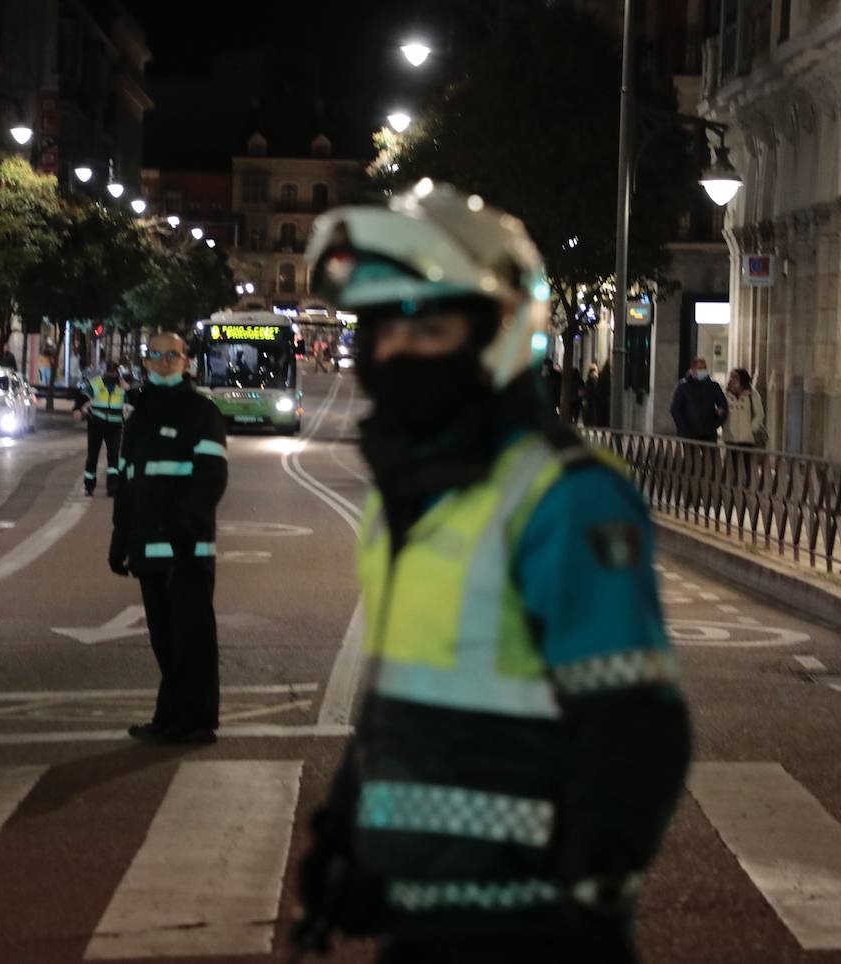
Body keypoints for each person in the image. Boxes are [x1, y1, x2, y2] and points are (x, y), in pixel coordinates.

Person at [294, 182, 690, 963]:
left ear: (499, 331)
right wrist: (346, 834)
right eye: (380, 332)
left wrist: (587, 900)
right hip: (420, 917)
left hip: (526, 928)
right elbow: (400, 698)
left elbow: (638, 726)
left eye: (431, 327)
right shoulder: (407, 500)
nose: (398, 354)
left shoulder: (564, 496)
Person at [109, 332, 228, 745]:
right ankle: (170, 717)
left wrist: (185, 530)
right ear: (145, 362)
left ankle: (196, 721)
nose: (163, 362)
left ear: (186, 361)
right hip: (147, 551)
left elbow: (211, 478)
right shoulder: (138, 417)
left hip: (187, 552)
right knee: (164, 640)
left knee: (191, 640)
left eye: (172, 355)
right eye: (156, 355)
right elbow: (126, 483)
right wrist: (119, 539)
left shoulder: (201, 412)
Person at [73, 361, 129, 496]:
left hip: (114, 426)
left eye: (113, 372)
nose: (111, 374)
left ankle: (112, 487)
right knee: (92, 455)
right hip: (96, 423)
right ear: (105, 372)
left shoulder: (122, 386)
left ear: (117, 373)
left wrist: (128, 389)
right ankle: (89, 486)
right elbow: (82, 396)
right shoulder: (96, 383)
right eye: (109, 372)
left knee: (113, 457)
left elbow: (134, 400)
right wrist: (77, 409)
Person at [669, 357, 726, 442]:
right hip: (689, 433)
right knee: (690, 455)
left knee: (709, 455)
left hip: (709, 433)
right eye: (700, 368)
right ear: (692, 369)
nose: (703, 371)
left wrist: (716, 424)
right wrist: (683, 427)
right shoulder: (683, 386)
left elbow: (723, 406)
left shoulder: (713, 386)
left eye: (704, 368)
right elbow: (675, 409)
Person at [722, 367, 765, 479]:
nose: (732, 379)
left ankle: (745, 487)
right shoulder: (725, 394)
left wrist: (751, 429)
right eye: (731, 376)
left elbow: (759, 414)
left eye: (735, 377)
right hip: (730, 436)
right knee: (731, 466)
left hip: (747, 438)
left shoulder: (752, 394)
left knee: (746, 467)